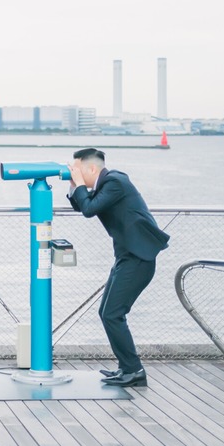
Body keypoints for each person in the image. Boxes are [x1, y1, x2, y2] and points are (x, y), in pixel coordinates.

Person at [67, 147, 169, 388]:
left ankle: (134, 371)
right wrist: (74, 185)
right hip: (127, 257)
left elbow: (90, 210)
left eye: (78, 170)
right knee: (106, 312)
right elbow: (82, 206)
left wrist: (80, 184)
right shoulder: (106, 185)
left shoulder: (115, 181)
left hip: (138, 258)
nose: (75, 174)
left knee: (113, 314)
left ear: (92, 168)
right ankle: (127, 368)